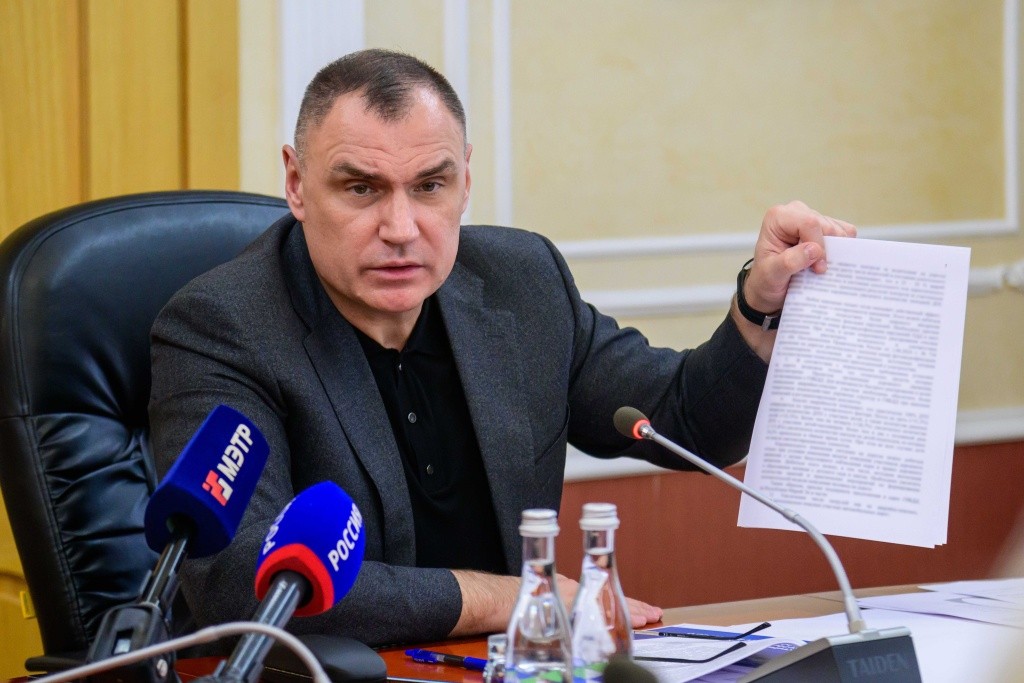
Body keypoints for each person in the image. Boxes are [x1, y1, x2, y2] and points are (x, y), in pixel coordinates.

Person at [149, 48, 855, 647]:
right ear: (297, 184)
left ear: (467, 180)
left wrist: (759, 307)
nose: (401, 227)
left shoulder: (521, 284)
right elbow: (243, 581)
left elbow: (688, 422)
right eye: (361, 188)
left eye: (431, 185)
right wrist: (512, 597)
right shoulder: (224, 325)